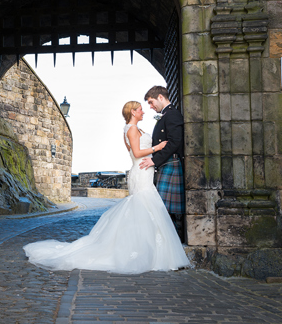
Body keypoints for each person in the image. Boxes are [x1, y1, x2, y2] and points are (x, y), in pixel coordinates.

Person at [22, 101, 190, 274]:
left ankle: (149, 250)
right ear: (132, 112)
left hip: (145, 170)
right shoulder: (130, 129)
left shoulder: (136, 129)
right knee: (144, 208)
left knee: (146, 210)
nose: (143, 112)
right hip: (141, 171)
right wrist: (158, 147)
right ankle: (143, 252)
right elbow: (136, 153)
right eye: (140, 109)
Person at [139, 86, 185, 241]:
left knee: (166, 209)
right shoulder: (166, 115)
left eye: (151, 102)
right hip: (166, 164)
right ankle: (168, 243)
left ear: (160, 97)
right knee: (163, 208)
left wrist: (154, 160)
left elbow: (175, 142)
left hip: (170, 163)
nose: (151, 107)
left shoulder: (172, 114)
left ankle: (173, 243)